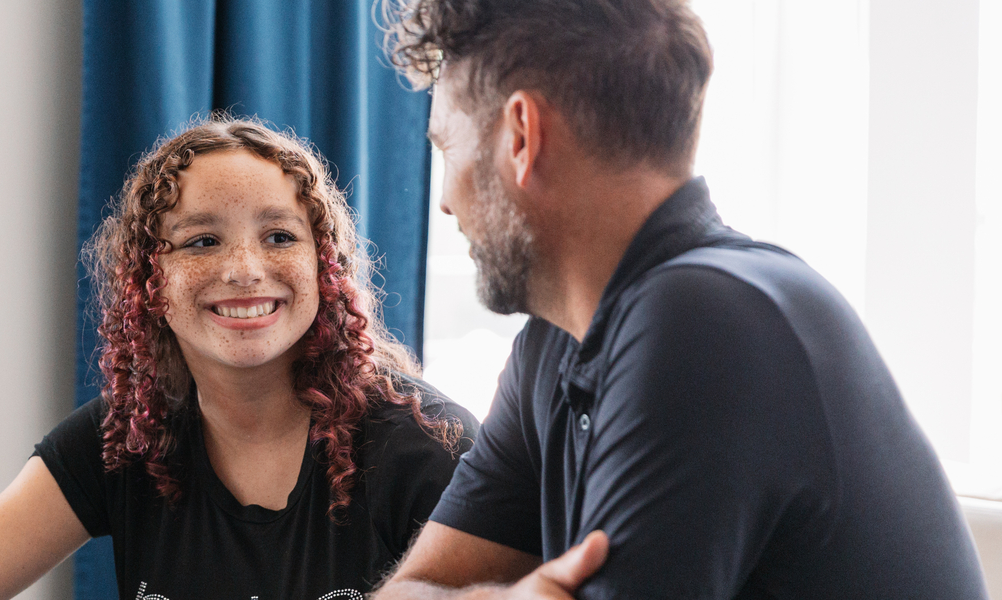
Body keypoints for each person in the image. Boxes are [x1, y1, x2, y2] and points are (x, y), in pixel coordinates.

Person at [370, 0, 990, 599]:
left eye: (446, 149)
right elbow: (409, 592)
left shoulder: (708, 321)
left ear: (521, 137)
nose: (446, 200)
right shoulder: (555, 343)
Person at [0, 118, 478, 600]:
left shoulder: (428, 449)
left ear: (325, 264)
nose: (244, 270)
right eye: (202, 242)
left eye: (280, 237)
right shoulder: (126, 435)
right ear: (148, 282)